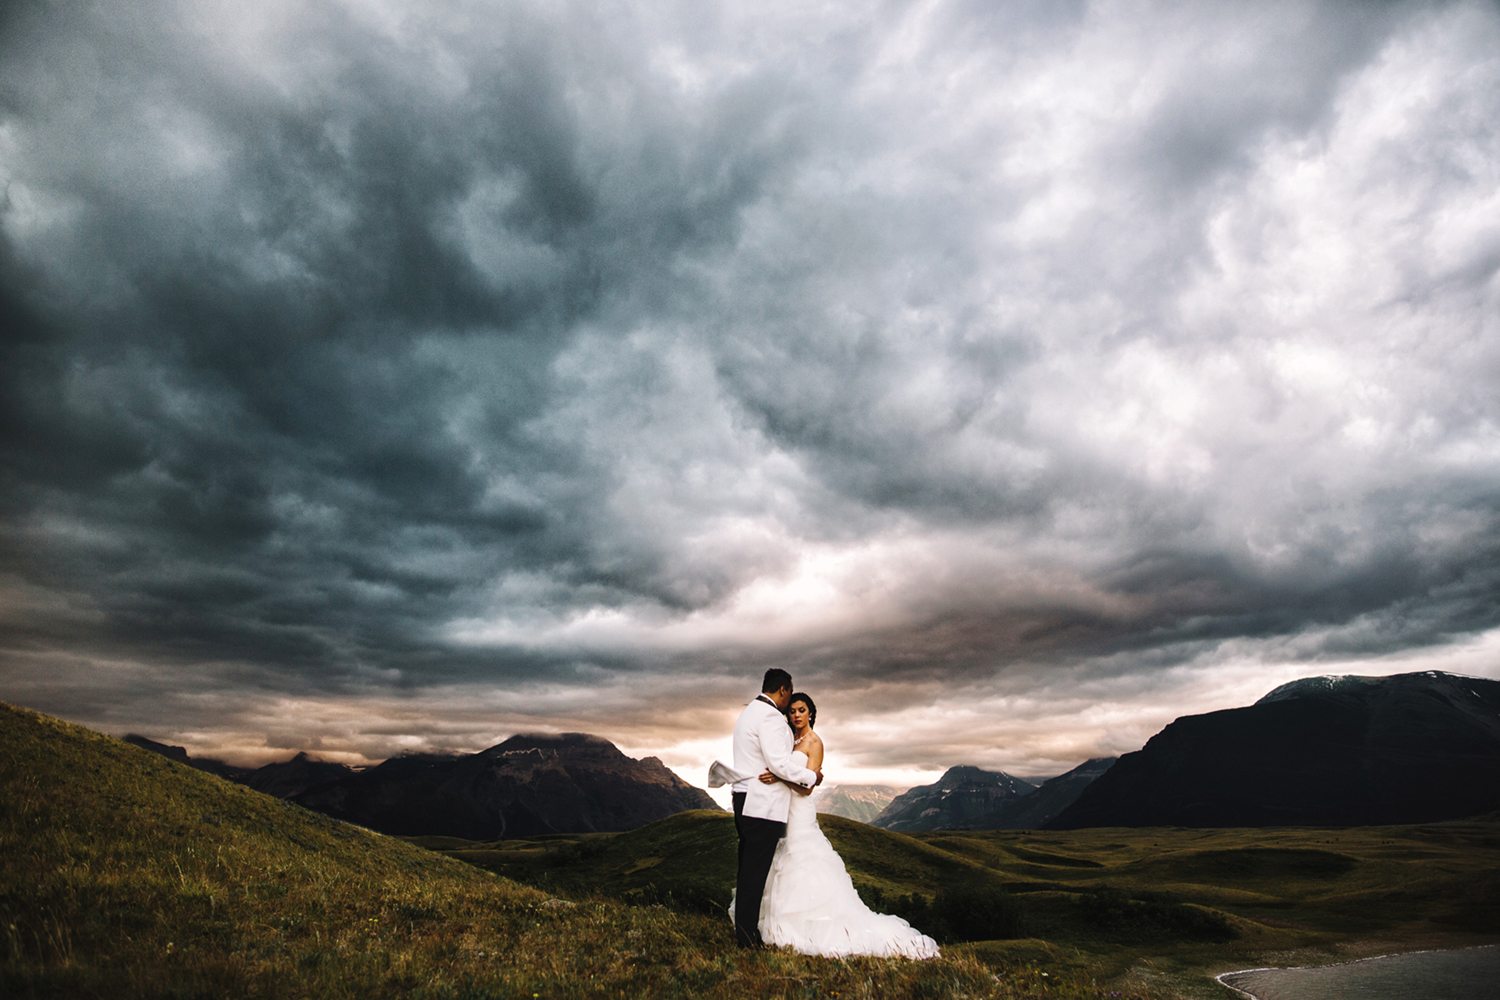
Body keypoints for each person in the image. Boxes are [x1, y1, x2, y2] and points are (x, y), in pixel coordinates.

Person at [734, 692, 940, 959]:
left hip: (800, 811)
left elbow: (807, 788)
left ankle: (810, 929)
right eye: (793, 710)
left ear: (811, 713)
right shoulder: (788, 739)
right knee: (781, 863)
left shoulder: (814, 742)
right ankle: (774, 925)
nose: (796, 715)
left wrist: (781, 778)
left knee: (803, 862)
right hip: (782, 810)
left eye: (802, 710)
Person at [729, 668, 821, 949]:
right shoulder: (769, 716)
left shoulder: (750, 712)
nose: (790, 706)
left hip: (745, 798)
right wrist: (813, 777)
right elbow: (779, 763)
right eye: (790, 695)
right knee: (754, 873)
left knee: (749, 869)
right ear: (782, 690)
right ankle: (746, 938)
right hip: (760, 804)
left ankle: (747, 932)